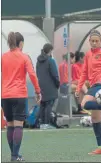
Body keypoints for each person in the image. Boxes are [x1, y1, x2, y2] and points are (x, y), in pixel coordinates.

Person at [1, 32, 41, 161]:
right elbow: (32, 75)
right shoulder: (25, 57)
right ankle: (14, 156)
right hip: (19, 95)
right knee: (18, 125)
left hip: (5, 95)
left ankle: (15, 155)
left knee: (10, 124)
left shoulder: (3, 57)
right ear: (21, 43)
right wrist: (37, 91)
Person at [36, 43, 60, 129]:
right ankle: (47, 123)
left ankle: (42, 123)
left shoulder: (38, 61)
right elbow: (55, 75)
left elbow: (37, 74)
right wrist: (57, 84)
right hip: (50, 86)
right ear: (50, 51)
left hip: (41, 86)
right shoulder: (51, 61)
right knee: (49, 104)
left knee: (43, 104)